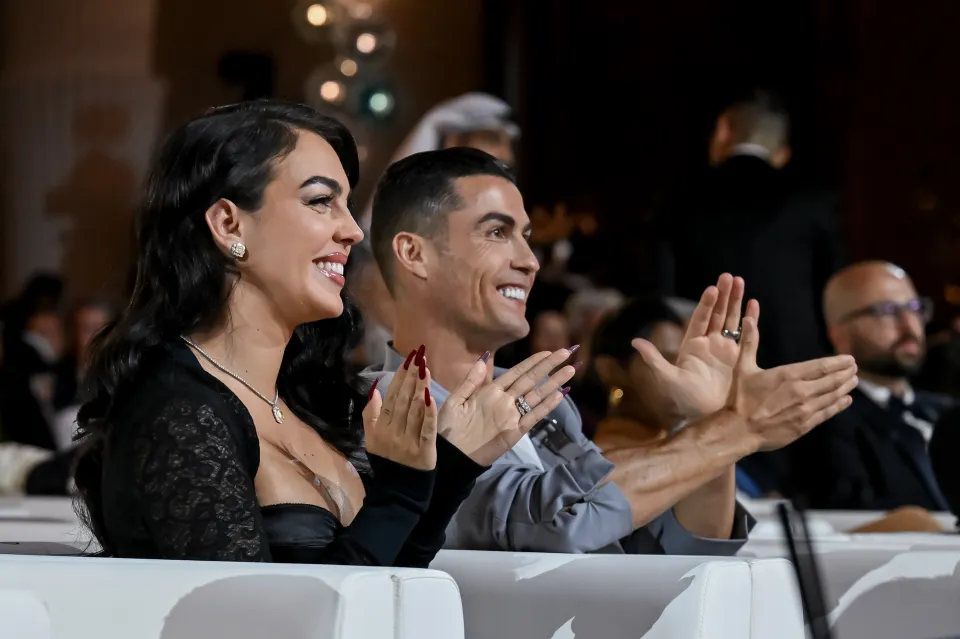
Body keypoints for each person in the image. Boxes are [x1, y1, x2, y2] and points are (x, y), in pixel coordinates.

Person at [72, 100, 567, 565]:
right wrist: (399, 493)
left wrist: (453, 467)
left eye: (348, 206)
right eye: (321, 201)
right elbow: (266, 618)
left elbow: (388, 583)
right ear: (229, 224)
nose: (352, 230)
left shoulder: (310, 402)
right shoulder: (177, 410)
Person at [365, 147, 858, 555]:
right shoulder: (383, 410)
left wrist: (708, 425)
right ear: (414, 253)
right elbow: (550, 524)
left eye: (526, 236)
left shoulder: (547, 408)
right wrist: (736, 430)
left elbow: (669, 552)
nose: (529, 261)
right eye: (497, 233)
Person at [654, 89, 846, 495]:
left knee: (716, 475)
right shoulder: (812, 202)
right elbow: (834, 289)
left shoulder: (681, 197)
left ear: (722, 133)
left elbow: (660, 288)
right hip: (796, 359)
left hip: (710, 360)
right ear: (781, 152)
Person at [790, 261, 954, 511]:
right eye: (886, 310)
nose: (909, 325)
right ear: (838, 335)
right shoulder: (824, 420)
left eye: (914, 307)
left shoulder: (947, 412)